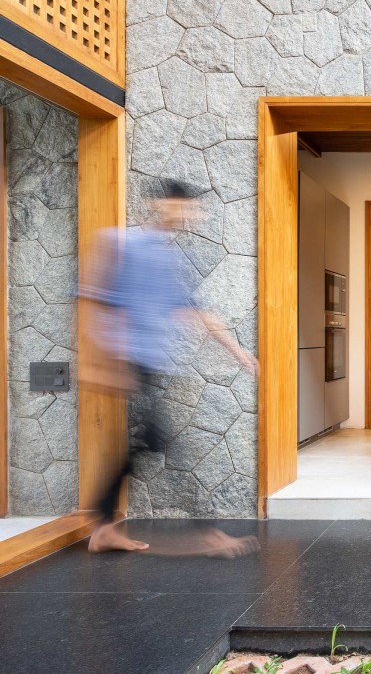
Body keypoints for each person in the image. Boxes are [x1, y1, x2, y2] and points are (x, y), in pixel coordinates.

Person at [80, 179, 259, 557]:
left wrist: (239, 352)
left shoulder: (169, 257)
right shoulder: (120, 242)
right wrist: (101, 360)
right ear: (158, 205)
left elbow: (195, 311)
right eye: (182, 206)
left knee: (147, 446)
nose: (187, 215)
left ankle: (102, 527)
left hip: (148, 364)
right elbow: (91, 299)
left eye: (191, 209)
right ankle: (208, 533)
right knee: (169, 444)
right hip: (129, 361)